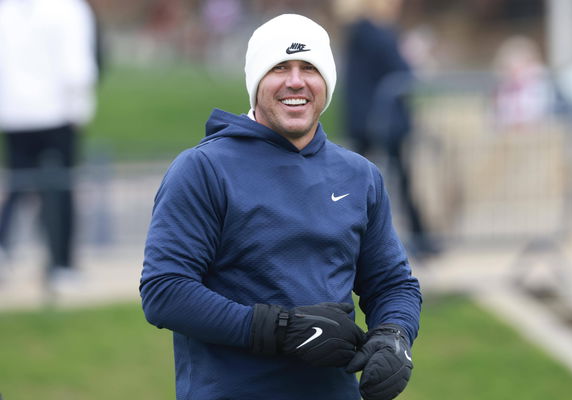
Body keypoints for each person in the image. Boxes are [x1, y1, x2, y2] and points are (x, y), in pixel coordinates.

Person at [140, 14, 421, 400]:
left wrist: (395, 335)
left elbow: (392, 284)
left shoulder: (360, 175)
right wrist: (280, 329)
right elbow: (165, 291)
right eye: (279, 68)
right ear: (256, 81)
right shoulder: (203, 169)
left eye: (310, 68)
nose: (296, 81)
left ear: (327, 82)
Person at [0, 0, 98, 285]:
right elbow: (77, 66)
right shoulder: (68, 9)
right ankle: (61, 263)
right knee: (60, 190)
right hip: (57, 113)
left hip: (15, 113)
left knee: (18, 185)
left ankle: (5, 246)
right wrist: (80, 109)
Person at [339, 0, 438, 258]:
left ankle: (356, 241)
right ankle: (419, 239)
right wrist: (415, 55)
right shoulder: (378, 34)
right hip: (383, 122)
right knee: (397, 183)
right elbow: (402, 70)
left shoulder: (357, 34)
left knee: (360, 185)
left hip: (364, 120)